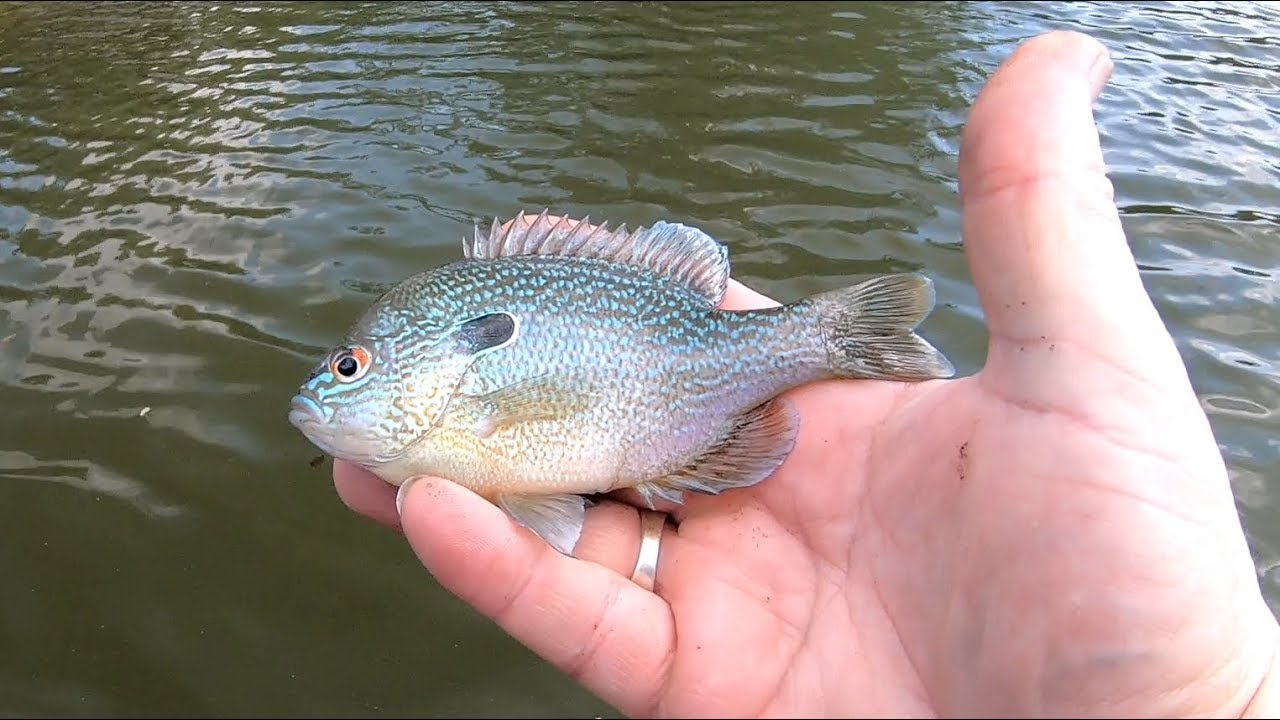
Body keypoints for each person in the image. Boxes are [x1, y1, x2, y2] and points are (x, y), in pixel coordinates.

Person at [331, 31, 1279, 717]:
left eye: (350, 368)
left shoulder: (458, 393)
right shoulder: (448, 398)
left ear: (414, 365)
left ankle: (826, 339)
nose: (327, 391)